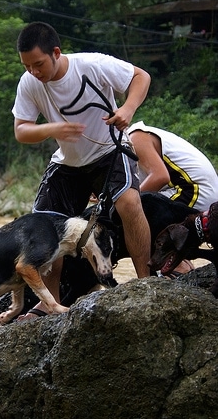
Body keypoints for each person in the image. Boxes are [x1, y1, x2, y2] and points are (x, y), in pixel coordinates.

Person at [12, 21, 152, 319]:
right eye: (27, 66)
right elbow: (21, 131)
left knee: (128, 201)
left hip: (109, 149)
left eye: (38, 64)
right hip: (67, 162)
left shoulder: (91, 65)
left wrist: (127, 110)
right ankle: (50, 303)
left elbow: (141, 76)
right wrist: (54, 128)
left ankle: (146, 283)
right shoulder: (29, 83)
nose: (34, 72)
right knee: (45, 225)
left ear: (56, 53)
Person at [128, 120, 218, 275]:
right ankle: (181, 265)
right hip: (195, 188)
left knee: (143, 215)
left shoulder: (135, 137)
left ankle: (177, 269)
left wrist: (128, 202)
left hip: (196, 189)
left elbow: (159, 177)